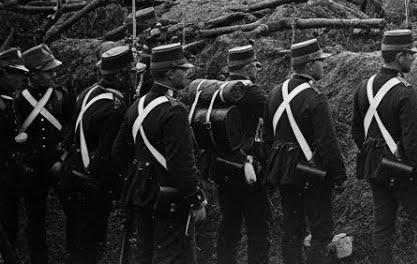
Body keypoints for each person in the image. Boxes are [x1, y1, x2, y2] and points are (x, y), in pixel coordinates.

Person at [111, 43, 208, 264]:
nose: (187, 73)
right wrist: (196, 200)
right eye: (183, 69)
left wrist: (138, 178)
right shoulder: (174, 109)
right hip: (170, 195)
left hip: (141, 193)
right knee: (171, 256)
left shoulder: (136, 105)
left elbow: (118, 152)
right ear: (170, 73)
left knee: (144, 255)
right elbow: (180, 162)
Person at [352, 30, 417, 264]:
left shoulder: (363, 86)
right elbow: (413, 142)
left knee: (383, 225)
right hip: (401, 168)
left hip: (374, 165)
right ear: (400, 57)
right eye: (410, 54)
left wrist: (374, 152)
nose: (414, 59)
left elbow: (357, 132)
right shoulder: (404, 91)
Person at [263, 39, 346, 264]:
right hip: (313, 173)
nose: (323, 65)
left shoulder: (274, 93)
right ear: (309, 65)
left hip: (285, 173)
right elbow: (327, 142)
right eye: (320, 61)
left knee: (292, 230)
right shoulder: (314, 97)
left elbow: (268, 138)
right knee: (321, 232)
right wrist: (339, 176)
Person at [62, 45, 138, 264]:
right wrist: (117, 191)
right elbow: (108, 154)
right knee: (91, 246)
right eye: (131, 73)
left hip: (72, 173)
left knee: (75, 237)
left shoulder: (86, 93)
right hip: (92, 183)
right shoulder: (114, 107)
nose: (134, 78)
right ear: (121, 75)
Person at [13, 44, 73, 264]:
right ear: (34, 74)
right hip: (33, 169)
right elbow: (15, 133)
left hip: (58, 164)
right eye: (49, 71)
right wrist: (26, 163)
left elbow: (70, 127)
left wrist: (61, 156)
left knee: (73, 211)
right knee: (35, 218)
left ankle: (74, 255)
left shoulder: (62, 94)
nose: (54, 75)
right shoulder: (19, 100)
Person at [214, 45, 270, 264]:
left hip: (222, 166)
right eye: (255, 66)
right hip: (248, 170)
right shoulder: (251, 92)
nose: (257, 70)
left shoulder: (220, 89)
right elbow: (273, 114)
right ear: (248, 68)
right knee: (258, 229)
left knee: (229, 226)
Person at [0, 47, 28, 261]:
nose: (21, 77)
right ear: (3, 73)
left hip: (10, 174)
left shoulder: (8, 100)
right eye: (16, 73)